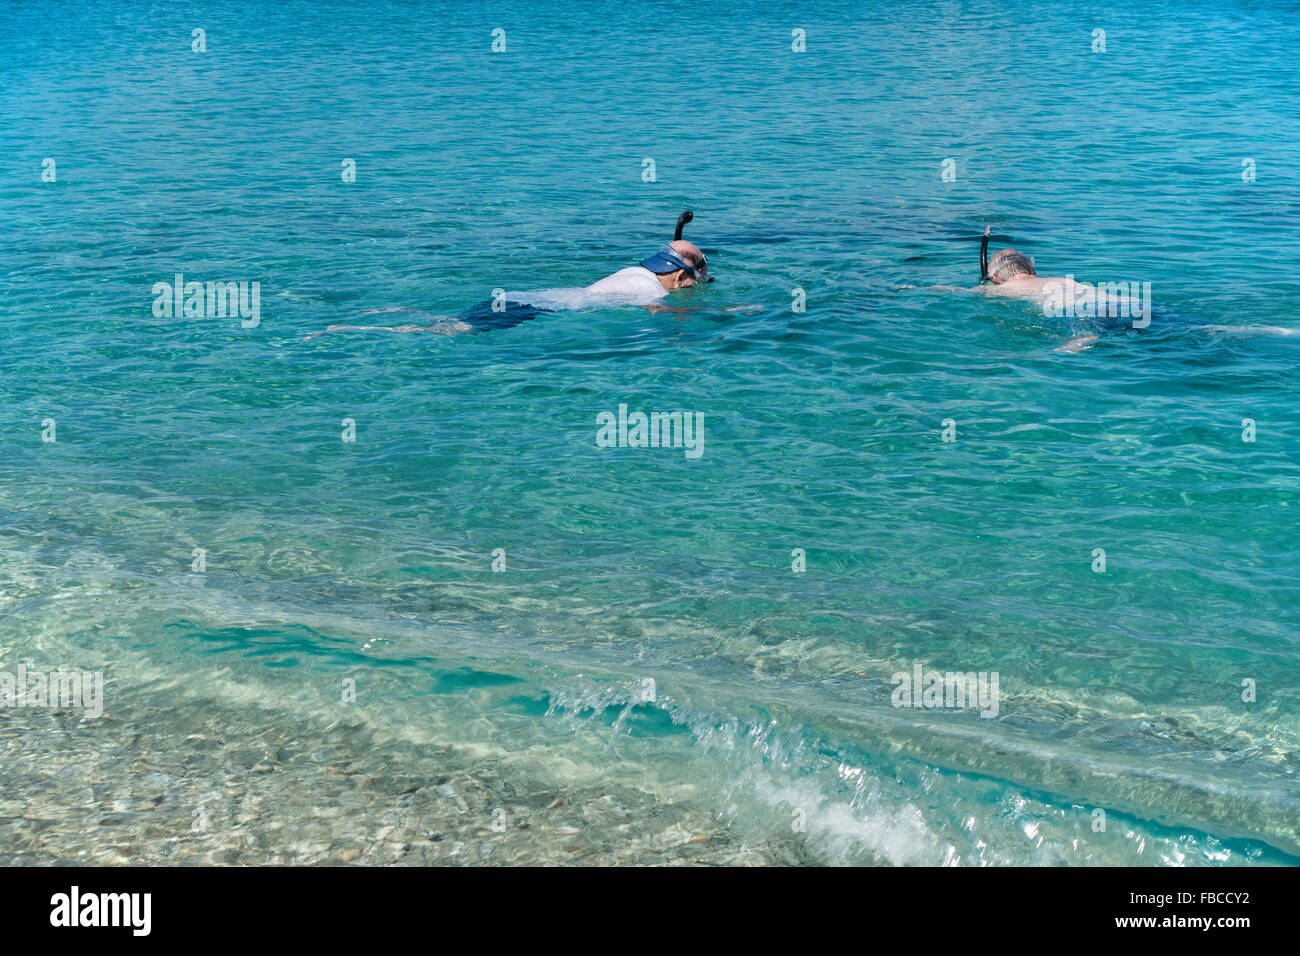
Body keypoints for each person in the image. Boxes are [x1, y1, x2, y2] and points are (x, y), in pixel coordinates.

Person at [306, 213, 711, 339]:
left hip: (523, 295)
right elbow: (667, 317)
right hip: (531, 310)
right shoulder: (650, 292)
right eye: (695, 280)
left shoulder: (630, 271)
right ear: (679, 277)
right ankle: (353, 330)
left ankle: (382, 311)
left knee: (444, 320)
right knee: (445, 332)